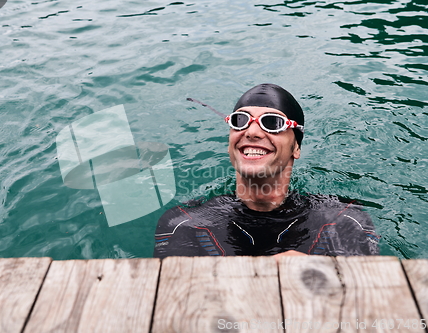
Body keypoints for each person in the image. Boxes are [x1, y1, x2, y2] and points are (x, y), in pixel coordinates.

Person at [153, 83, 379, 258]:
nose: (251, 132)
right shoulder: (185, 223)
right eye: (240, 121)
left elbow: (369, 304)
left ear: (296, 147)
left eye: (272, 123)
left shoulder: (344, 219)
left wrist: (318, 273)